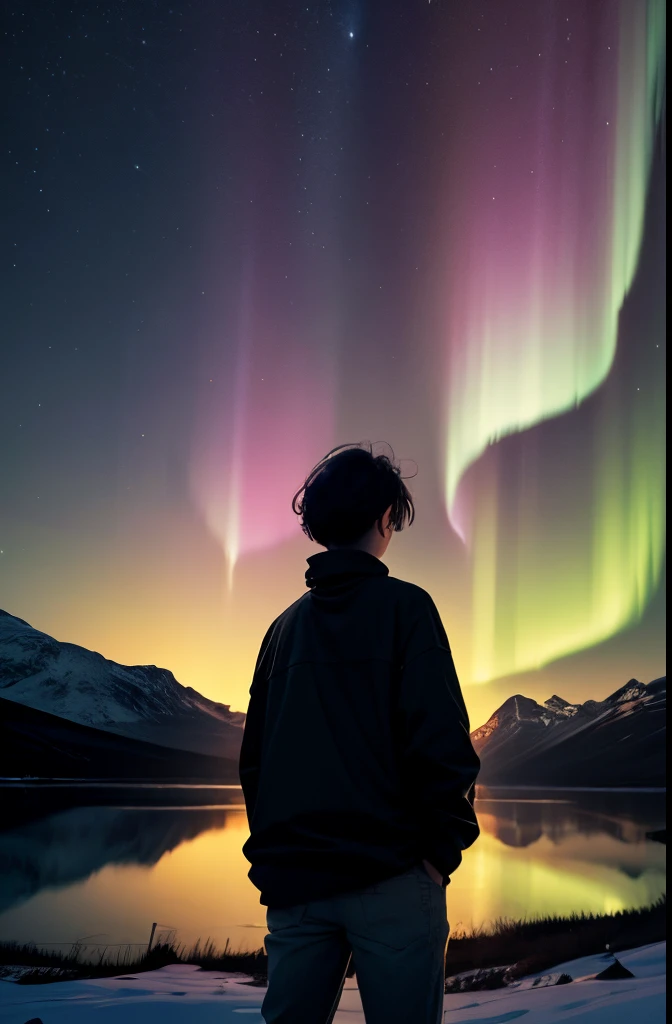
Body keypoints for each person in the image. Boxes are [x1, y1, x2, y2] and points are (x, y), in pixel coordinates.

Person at [239, 442, 480, 1024]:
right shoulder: (407, 609)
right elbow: (443, 739)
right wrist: (437, 854)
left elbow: (255, 766)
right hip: (393, 880)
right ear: (385, 518)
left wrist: (275, 863)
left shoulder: (281, 630)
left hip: (297, 887)